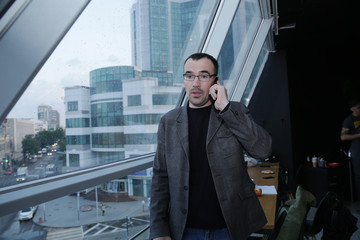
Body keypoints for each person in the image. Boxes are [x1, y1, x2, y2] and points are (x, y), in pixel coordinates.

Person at [149, 53, 272, 240]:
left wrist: (225, 107)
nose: (195, 83)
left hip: (230, 227)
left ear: (216, 81)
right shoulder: (169, 122)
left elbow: (263, 150)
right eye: (189, 75)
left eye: (204, 76)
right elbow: (160, 177)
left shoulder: (234, 111)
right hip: (184, 230)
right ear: (184, 80)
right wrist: (159, 229)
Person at [341, 100, 360, 200]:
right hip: (357, 150)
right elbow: (343, 137)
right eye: (358, 107)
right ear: (352, 109)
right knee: (359, 174)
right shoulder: (349, 120)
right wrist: (358, 135)